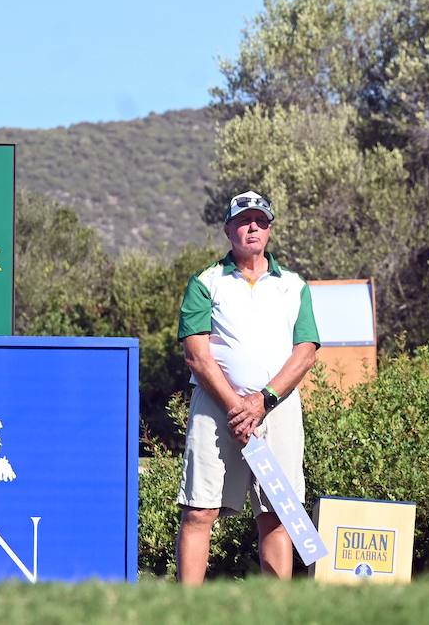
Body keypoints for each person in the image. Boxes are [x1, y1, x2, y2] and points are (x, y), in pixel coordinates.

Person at [174, 191, 321, 583]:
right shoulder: (205, 282)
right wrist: (237, 406)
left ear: (270, 229)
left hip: (278, 407)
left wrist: (263, 400)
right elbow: (197, 356)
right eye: (243, 221)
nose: (251, 227)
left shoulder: (294, 285)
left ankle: (274, 610)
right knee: (200, 510)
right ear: (228, 230)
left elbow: (305, 351)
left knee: (277, 512)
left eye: (259, 220)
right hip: (215, 407)